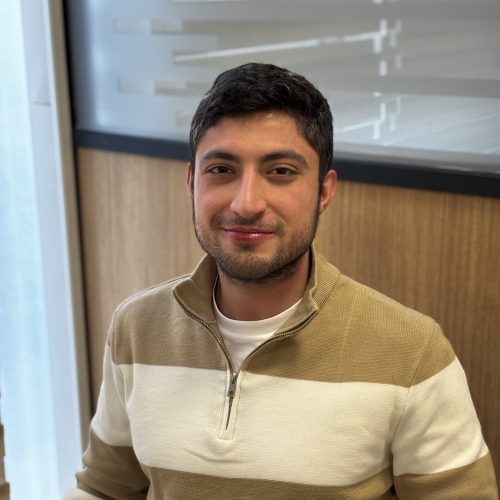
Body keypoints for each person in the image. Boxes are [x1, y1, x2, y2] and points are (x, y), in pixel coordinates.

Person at [65, 63, 498, 499]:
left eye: (281, 171)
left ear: (324, 191)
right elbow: (105, 490)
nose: (246, 203)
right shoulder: (137, 327)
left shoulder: (412, 350)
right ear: (192, 183)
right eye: (222, 170)